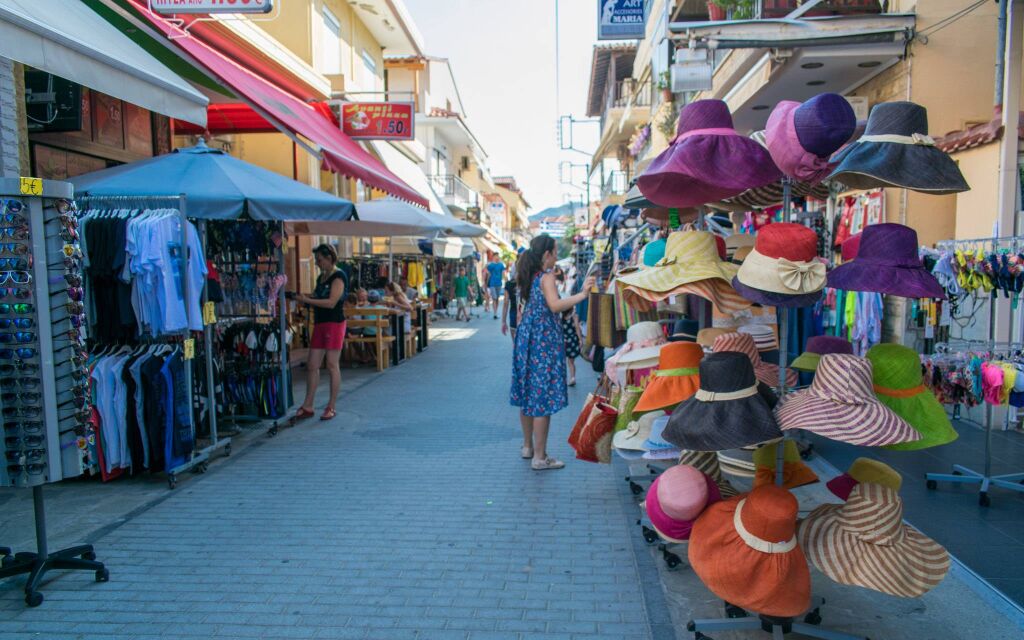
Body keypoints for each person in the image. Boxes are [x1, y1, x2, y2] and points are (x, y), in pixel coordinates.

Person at [510, 235, 595, 471]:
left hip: (527, 339)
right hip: (542, 341)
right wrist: (582, 295)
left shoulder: (528, 275)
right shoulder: (546, 277)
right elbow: (554, 305)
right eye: (555, 252)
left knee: (527, 394)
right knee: (542, 399)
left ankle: (527, 447)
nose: (557, 256)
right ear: (546, 254)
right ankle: (540, 457)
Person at [294, 244, 346, 421]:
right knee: (312, 365)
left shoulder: (338, 276)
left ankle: (331, 406)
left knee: (332, 364)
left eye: (319, 260)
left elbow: (331, 302)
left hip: (334, 323)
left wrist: (308, 299)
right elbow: (318, 298)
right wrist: (304, 298)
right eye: (316, 260)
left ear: (329, 258)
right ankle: (308, 405)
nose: (317, 263)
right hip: (320, 322)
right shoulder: (321, 277)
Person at [561, 308, 583, 386]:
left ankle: (561, 378)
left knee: (562, 361)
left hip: (563, 340)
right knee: (571, 361)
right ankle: (572, 377)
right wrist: (580, 339)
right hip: (573, 340)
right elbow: (577, 328)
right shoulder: (574, 316)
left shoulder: (561, 317)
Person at [501, 275, 519, 340]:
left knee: (515, 344)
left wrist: (503, 321)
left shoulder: (509, 284)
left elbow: (506, 303)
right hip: (526, 316)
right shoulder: (530, 282)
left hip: (514, 315)